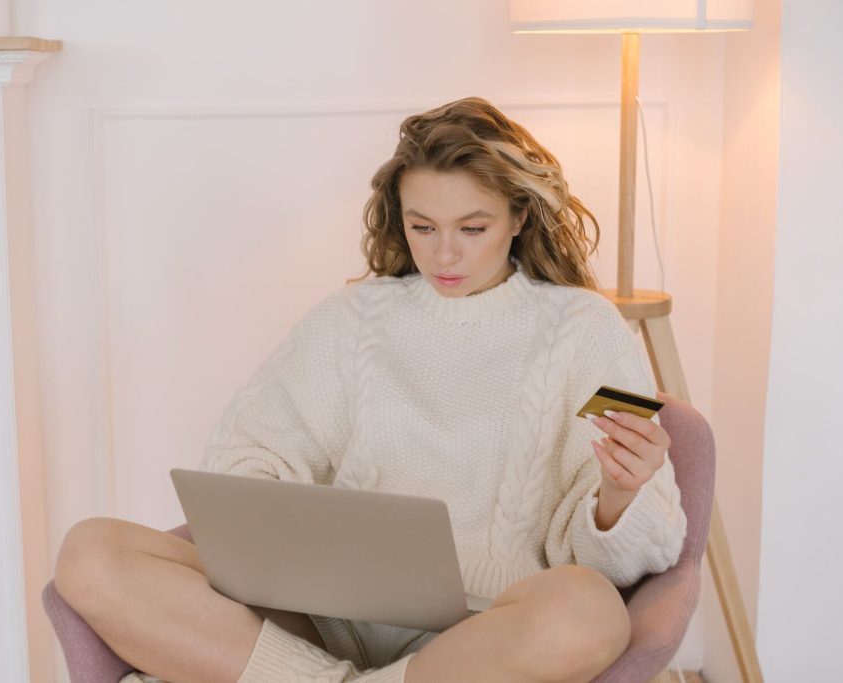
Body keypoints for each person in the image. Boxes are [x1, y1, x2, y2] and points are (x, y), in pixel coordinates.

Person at [54, 96, 687, 683]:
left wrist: (620, 495)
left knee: (591, 611)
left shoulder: (592, 326)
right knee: (90, 550)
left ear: (519, 215)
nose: (444, 256)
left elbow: (633, 551)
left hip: (487, 633)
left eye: (472, 229)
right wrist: (279, 531)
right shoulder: (351, 317)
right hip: (322, 618)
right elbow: (246, 458)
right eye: (422, 227)